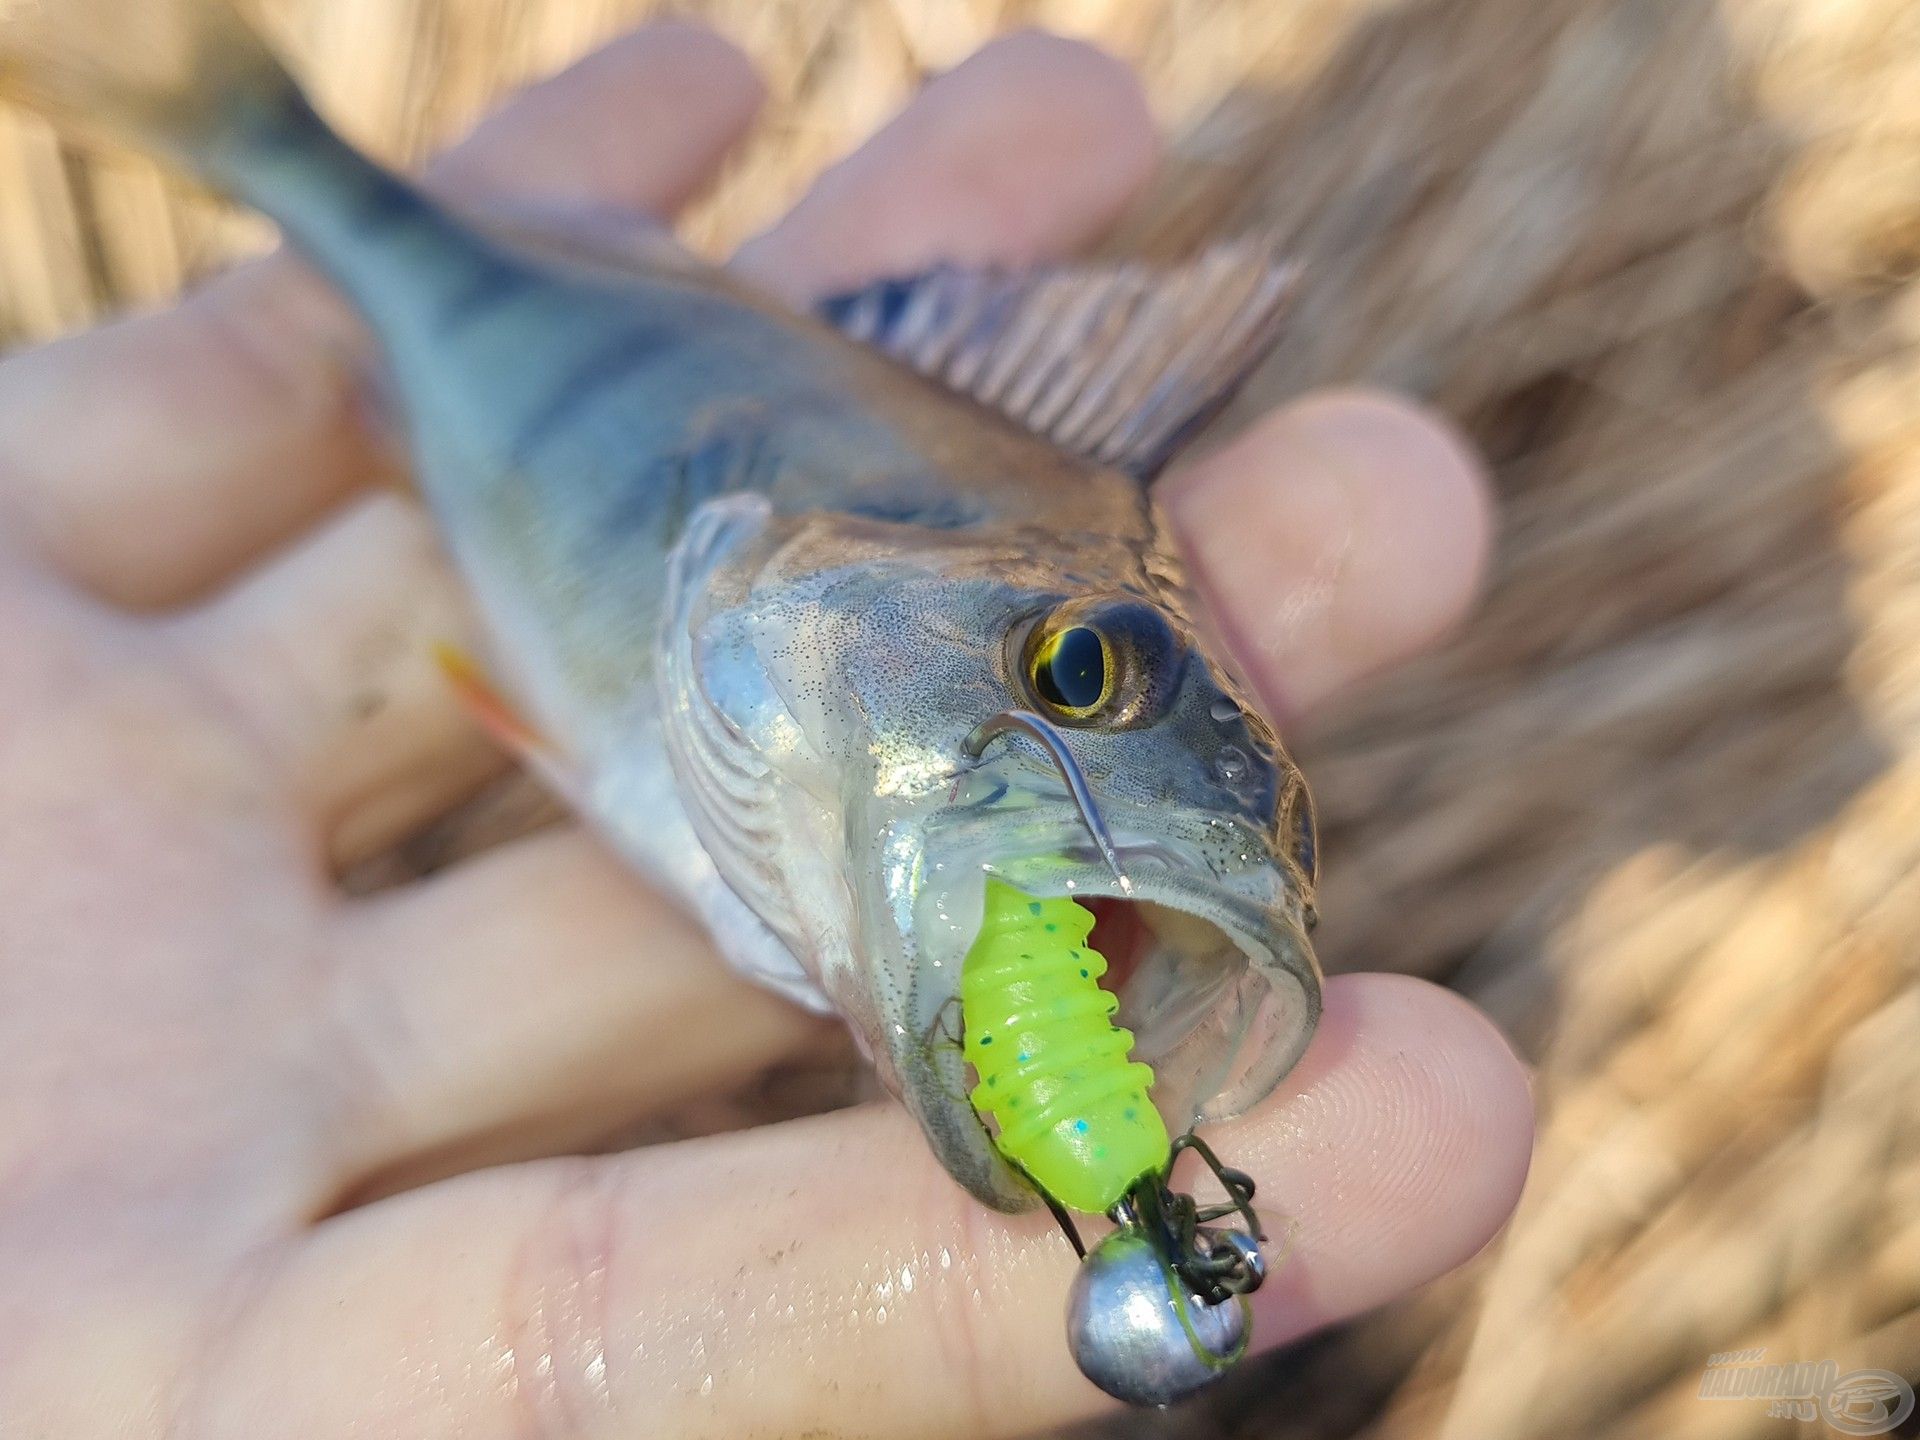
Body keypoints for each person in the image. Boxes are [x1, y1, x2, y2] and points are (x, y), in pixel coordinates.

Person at [0, 23, 1533, 1437]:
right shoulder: (800, 583)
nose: (1064, 713)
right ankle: (244, 127)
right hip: (569, 340)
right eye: (1071, 673)